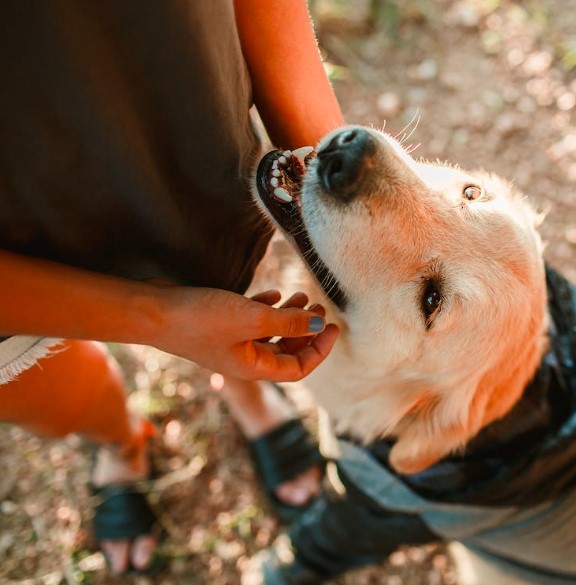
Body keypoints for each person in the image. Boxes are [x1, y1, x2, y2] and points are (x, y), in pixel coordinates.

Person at [0, 0, 344, 575]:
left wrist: (334, 181)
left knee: (220, 257)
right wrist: (159, 318)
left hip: (153, 95)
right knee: (47, 399)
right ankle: (120, 439)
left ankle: (245, 386)